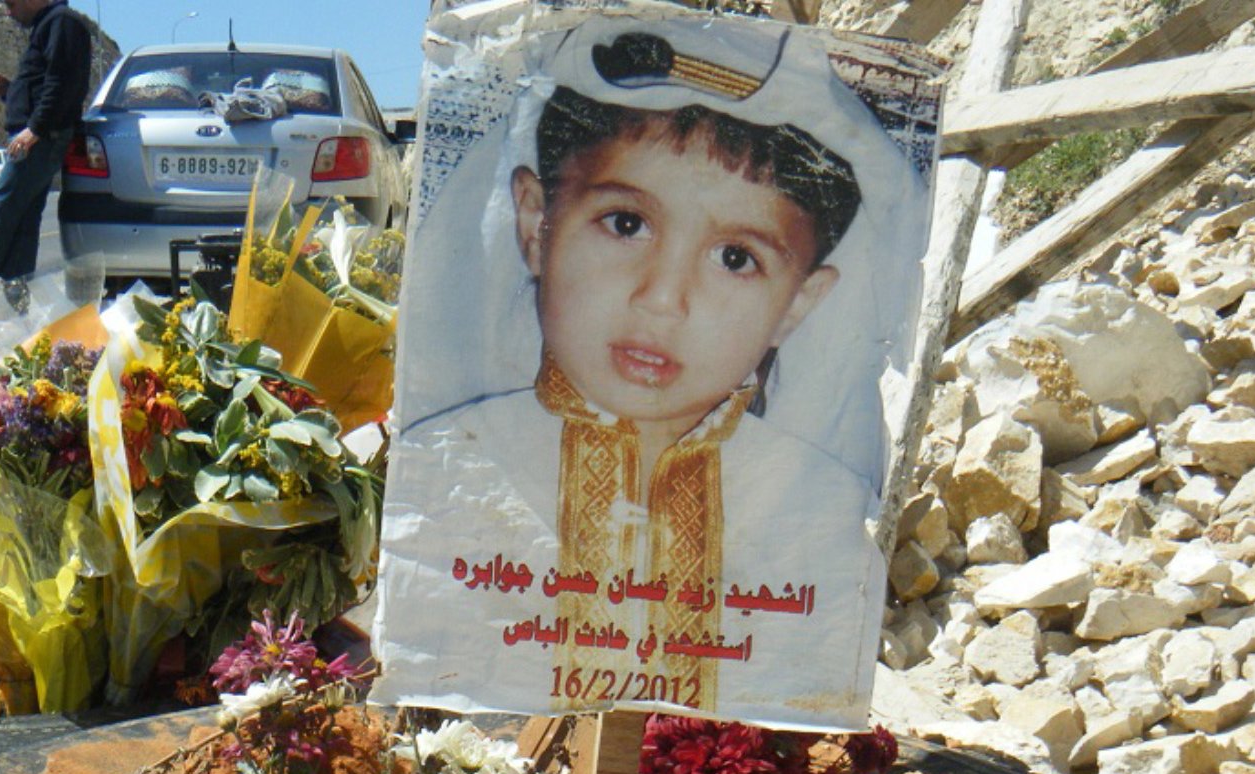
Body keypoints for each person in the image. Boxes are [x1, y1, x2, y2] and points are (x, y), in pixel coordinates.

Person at [377, 21, 928, 724]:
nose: (663, 299)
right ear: (535, 221)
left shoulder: (820, 511)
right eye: (626, 223)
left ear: (799, 303)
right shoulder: (447, 469)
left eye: (736, 258)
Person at [0, 0, 91, 291]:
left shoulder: (61, 22)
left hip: (41, 139)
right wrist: (10, 91)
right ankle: (14, 296)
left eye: (11, 4)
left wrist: (35, 129)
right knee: (23, 219)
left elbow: (61, 82)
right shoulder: (51, 23)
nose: (9, 12)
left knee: (0, 210)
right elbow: (44, 86)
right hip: (40, 136)